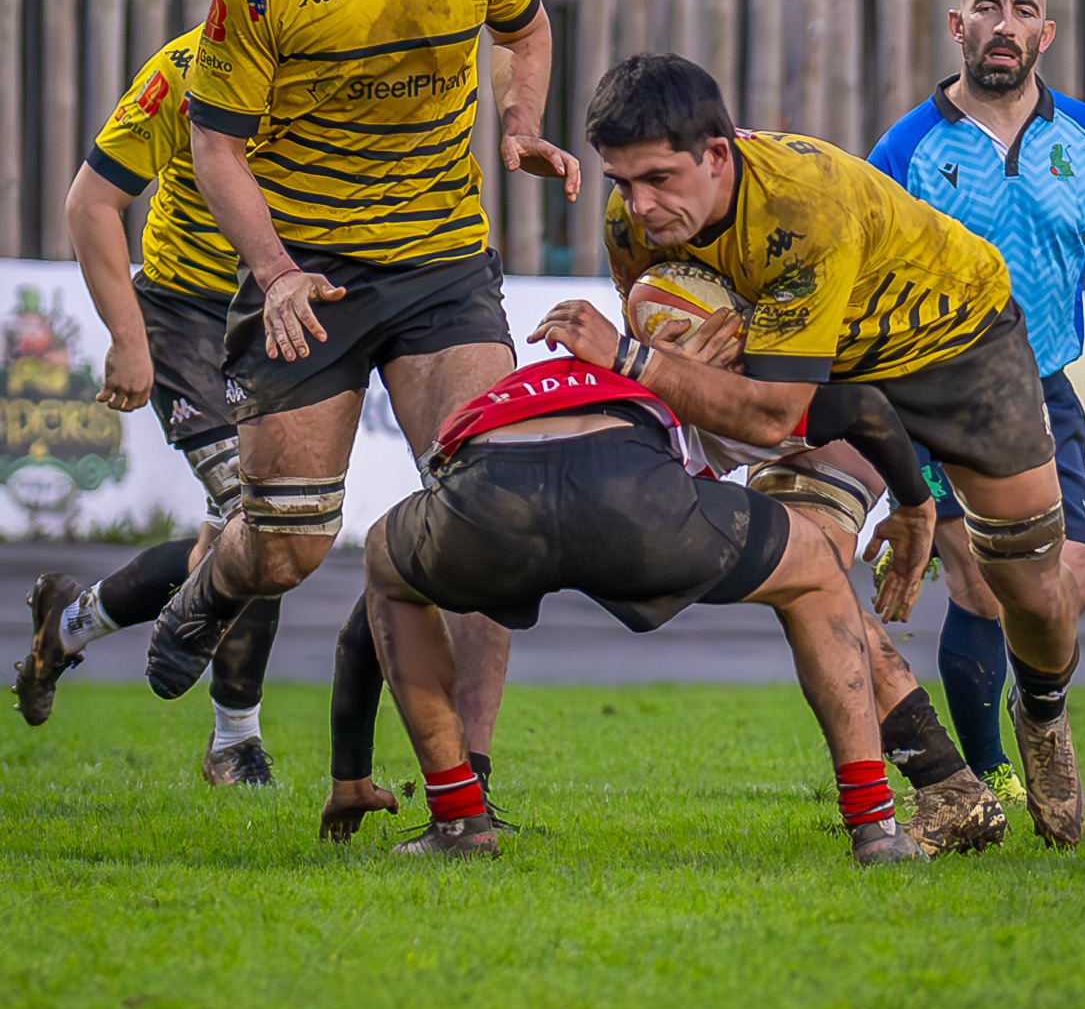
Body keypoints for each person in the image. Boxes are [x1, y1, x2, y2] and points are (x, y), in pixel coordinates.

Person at [145, 0, 580, 754]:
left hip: (441, 262)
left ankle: (468, 779)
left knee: (492, 511)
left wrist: (518, 122)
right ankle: (211, 585)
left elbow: (529, 28)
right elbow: (214, 144)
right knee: (290, 545)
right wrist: (273, 271)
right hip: (309, 272)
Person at [586, 53, 1085, 849]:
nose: (639, 206)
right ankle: (948, 786)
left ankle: (1045, 709)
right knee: (804, 564)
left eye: (657, 179)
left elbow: (763, 412)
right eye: (620, 181)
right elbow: (720, 390)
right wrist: (683, 357)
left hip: (958, 344)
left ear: (717, 153)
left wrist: (634, 358)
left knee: (1031, 592)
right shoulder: (633, 225)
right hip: (832, 372)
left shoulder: (798, 204)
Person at [322, 342, 1003, 857]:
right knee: (818, 575)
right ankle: (875, 829)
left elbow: (363, 638)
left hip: (488, 494)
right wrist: (916, 503)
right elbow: (856, 410)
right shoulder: (673, 380)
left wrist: (350, 774)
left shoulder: (508, 394)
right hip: (629, 493)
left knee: (388, 569)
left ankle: (458, 819)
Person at [868, 0, 1085, 799]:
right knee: (983, 586)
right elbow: (864, 271)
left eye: (1023, 10)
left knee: (1066, 582)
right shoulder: (906, 149)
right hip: (936, 397)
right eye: (986, 8)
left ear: (1046, 33)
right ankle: (987, 779)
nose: (1004, 24)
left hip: (1045, 394)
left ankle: (1041, 714)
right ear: (958, 27)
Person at [12, 25, 278, 785]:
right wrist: (129, 340)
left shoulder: (350, 68)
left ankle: (68, 623)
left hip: (285, 313)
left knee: (238, 537)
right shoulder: (189, 67)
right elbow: (92, 202)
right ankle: (235, 744)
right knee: (261, 512)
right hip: (186, 312)